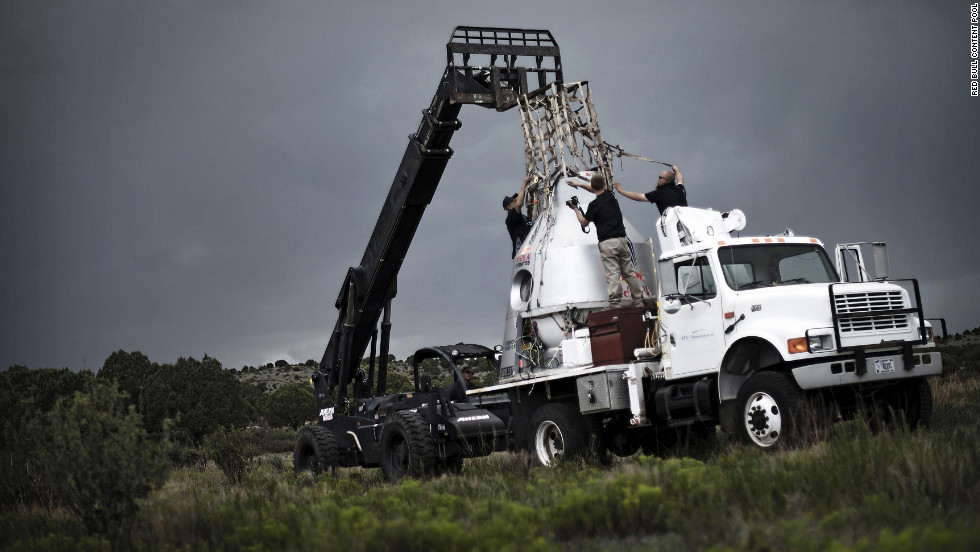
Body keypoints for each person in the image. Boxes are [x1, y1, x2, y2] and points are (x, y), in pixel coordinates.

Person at [567, 174, 644, 308]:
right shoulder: (610, 196)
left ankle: (615, 304)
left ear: (593, 186)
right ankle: (638, 300)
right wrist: (579, 184)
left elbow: (584, 223)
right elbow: (595, 189)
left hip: (607, 242)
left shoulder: (594, 205)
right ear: (604, 185)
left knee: (612, 274)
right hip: (621, 239)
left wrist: (575, 209)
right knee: (628, 272)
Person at [615, 164, 687, 215]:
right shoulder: (679, 189)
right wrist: (676, 170)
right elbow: (680, 180)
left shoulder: (659, 193)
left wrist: (621, 191)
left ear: (665, 180)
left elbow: (637, 197)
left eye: (660, 177)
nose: (658, 179)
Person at [503, 176, 533, 258]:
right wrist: (524, 184)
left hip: (528, 252)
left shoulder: (520, 217)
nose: (516, 200)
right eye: (513, 200)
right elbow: (519, 204)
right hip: (522, 254)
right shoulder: (510, 217)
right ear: (509, 207)